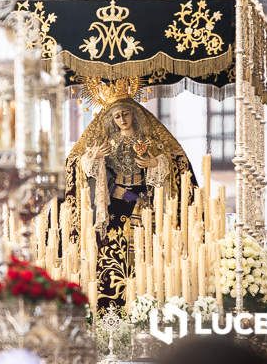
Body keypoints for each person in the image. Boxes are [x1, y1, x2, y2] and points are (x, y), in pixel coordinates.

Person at [63, 82, 193, 313]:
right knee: (111, 249)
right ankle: (110, 302)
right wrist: (93, 157)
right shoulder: (109, 144)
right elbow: (80, 163)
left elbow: (169, 162)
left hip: (141, 200)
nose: (122, 119)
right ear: (111, 120)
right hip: (117, 201)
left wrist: (154, 162)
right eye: (117, 116)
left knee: (146, 250)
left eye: (125, 114)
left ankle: (146, 301)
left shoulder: (149, 142)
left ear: (134, 114)